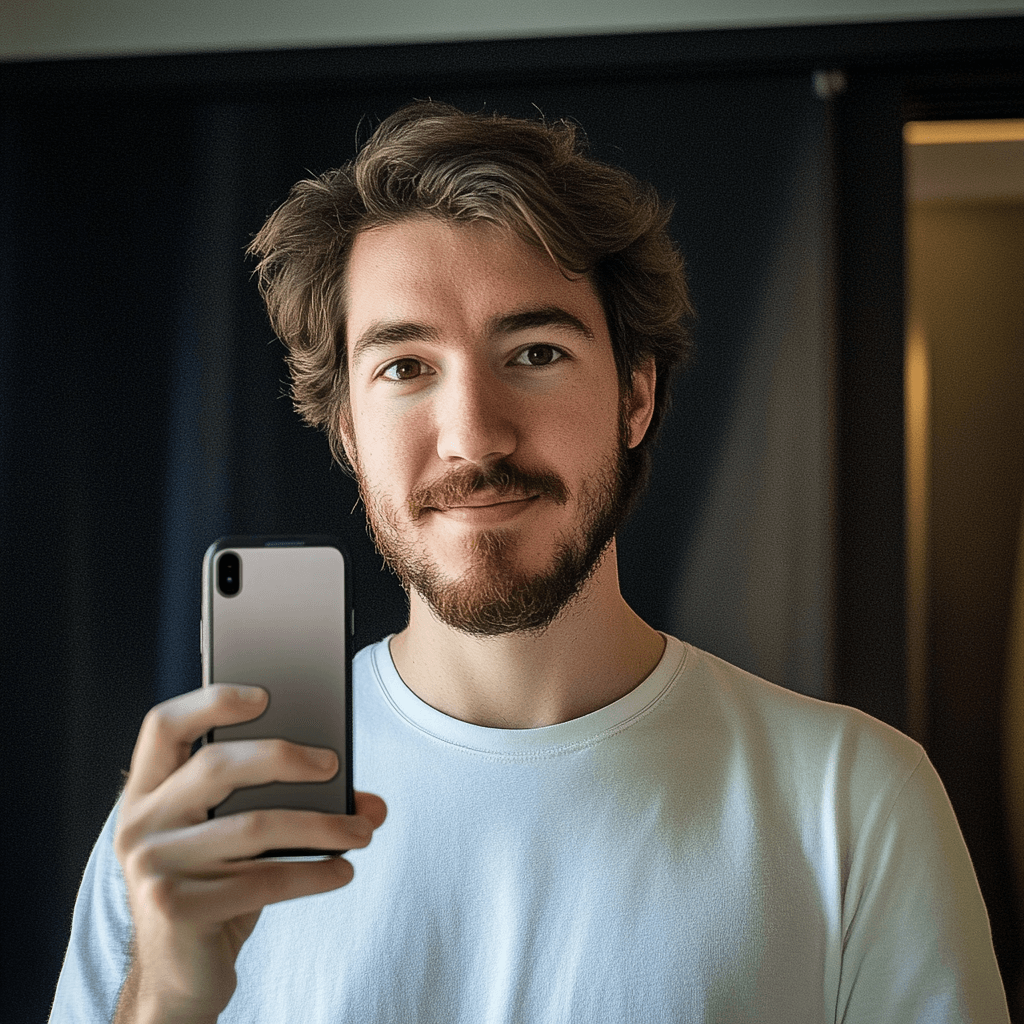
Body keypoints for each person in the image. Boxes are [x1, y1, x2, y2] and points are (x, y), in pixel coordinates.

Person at [51, 101, 1009, 1023]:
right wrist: (163, 1009)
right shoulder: (200, 818)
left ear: (636, 397)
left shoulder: (853, 799)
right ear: (347, 428)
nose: (473, 436)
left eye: (537, 352)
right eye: (404, 367)